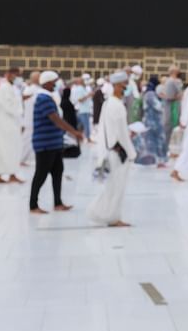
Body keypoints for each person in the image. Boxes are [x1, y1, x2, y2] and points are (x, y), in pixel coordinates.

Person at [29, 71, 83, 215]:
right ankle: (33, 205)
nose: (56, 84)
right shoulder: (43, 98)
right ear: (47, 83)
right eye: (54, 82)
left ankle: (58, 203)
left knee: (57, 172)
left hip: (54, 142)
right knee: (41, 174)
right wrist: (74, 132)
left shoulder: (48, 97)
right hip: (45, 143)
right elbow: (55, 119)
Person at [88, 72, 135, 227]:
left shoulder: (110, 103)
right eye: (123, 85)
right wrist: (130, 151)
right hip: (117, 151)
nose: (125, 88)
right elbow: (120, 133)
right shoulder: (115, 104)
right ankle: (110, 216)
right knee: (116, 187)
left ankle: (105, 214)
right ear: (116, 86)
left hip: (111, 150)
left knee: (113, 186)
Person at [0, 67, 25, 184]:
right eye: (17, 75)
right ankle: (10, 175)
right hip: (6, 124)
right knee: (7, 149)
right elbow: (8, 106)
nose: (19, 78)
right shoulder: (4, 88)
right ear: (9, 75)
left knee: (8, 149)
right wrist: (20, 114)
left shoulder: (10, 87)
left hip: (11, 123)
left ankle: (1, 175)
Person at [140, 75, 168, 167]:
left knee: (150, 141)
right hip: (154, 122)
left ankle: (154, 160)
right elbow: (158, 107)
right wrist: (163, 100)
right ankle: (159, 161)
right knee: (158, 141)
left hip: (149, 121)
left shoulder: (147, 93)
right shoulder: (151, 94)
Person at [72, 74, 94, 138]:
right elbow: (80, 100)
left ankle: (84, 137)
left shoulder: (83, 88)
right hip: (82, 109)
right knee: (84, 125)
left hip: (85, 109)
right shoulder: (79, 89)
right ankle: (85, 138)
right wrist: (89, 95)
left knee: (83, 124)